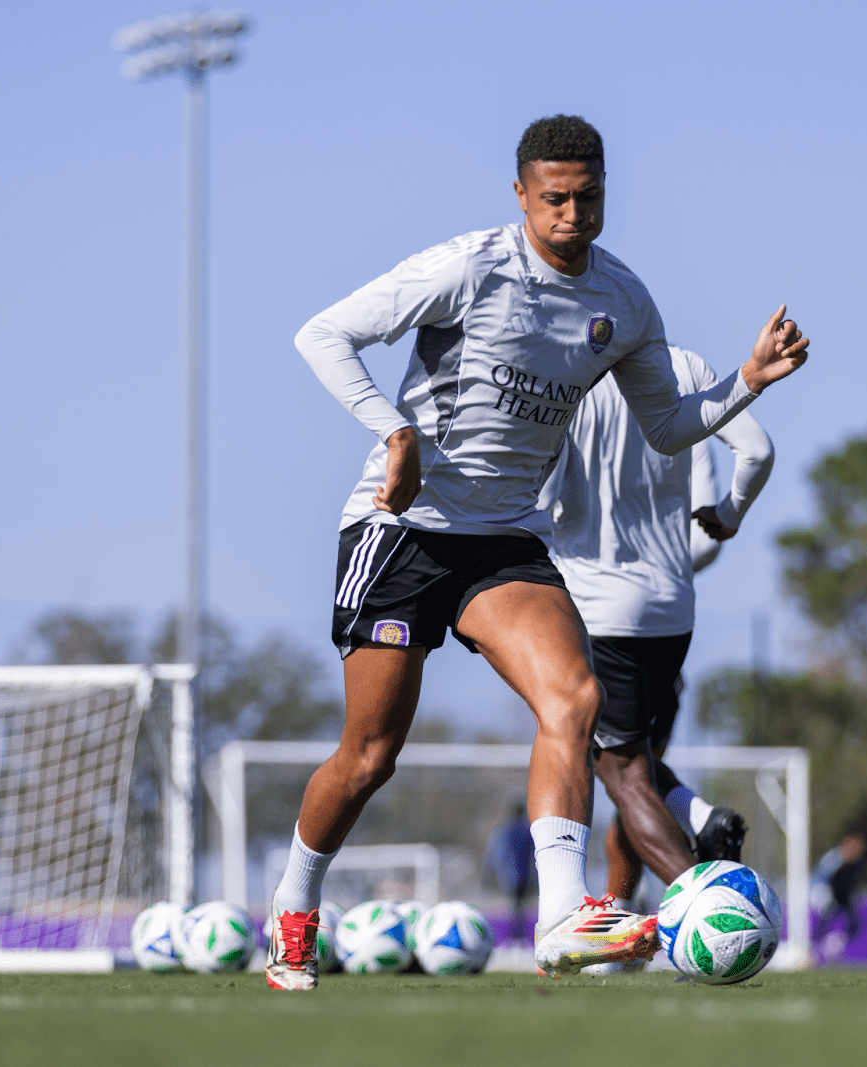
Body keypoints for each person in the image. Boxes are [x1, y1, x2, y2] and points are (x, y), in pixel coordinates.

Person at [264, 114, 809, 990]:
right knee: (369, 756)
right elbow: (322, 334)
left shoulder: (624, 302)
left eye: (587, 198)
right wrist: (393, 431)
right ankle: (295, 907)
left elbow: (668, 428)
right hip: (402, 530)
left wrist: (745, 380)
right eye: (552, 198)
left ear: (604, 195)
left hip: (504, 538)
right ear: (520, 193)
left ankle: (562, 912)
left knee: (575, 697)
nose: (570, 215)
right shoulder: (469, 267)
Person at [542, 344, 769, 907]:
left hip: (596, 610)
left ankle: (710, 907)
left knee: (623, 774)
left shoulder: (563, 376)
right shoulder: (687, 369)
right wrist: (729, 515)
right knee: (635, 767)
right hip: (672, 610)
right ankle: (620, 922)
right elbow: (757, 452)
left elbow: (538, 500)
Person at [483, 801, 536, 944]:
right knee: (519, 908)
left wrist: (491, 872)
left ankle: (515, 939)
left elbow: (497, 853)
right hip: (524, 875)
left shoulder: (505, 830)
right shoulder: (526, 830)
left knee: (516, 907)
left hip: (511, 875)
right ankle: (517, 938)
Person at [810, 833, 867, 944]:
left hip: (837, 899)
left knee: (852, 924)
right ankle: (817, 944)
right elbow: (820, 880)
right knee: (826, 917)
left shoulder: (852, 865)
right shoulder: (835, 859)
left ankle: (831, 945)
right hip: (820, 894)